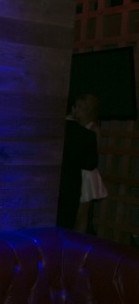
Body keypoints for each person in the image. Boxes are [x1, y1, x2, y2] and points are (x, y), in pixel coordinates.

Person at [56, 97, 99, 229]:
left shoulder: (50, 131)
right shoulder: (86, 135)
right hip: (71, 186)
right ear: (73, 109)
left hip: (46, 186)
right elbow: (90, 164)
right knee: (66, 226)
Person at [73, 94, 108, 234]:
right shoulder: (74, 126)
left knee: (81, 214)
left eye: (80, 107)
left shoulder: (94, 129)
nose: (77, 109)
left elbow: (95, 153)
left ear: (87, 110)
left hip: (86, 175)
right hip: (75, 171)